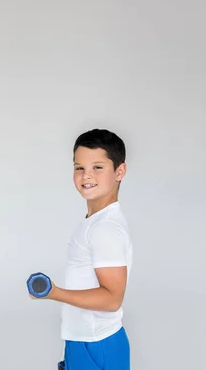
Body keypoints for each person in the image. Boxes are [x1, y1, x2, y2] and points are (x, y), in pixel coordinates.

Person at [30, 129, 132, 370]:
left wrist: (54, 293)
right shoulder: (94, 221)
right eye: (79, 167)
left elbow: (111, 299)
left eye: (97, 167)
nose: (87, 175)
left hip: (97, 343)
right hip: (86, 340)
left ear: (120, 172)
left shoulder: (105, 228)